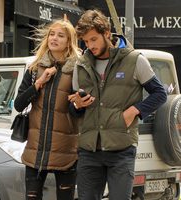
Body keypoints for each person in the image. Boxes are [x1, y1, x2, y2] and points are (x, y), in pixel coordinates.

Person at [68, 10, 167, 200]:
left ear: (107, 33)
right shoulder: (80, 66)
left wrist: (134, 111)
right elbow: (75, 111)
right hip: (89, 151)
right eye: (86, 41)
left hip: (122, 149)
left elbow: (160, 94)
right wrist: (78, 106)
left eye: (94, 39)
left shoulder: (134, 60)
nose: (90, 46)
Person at [14, 18, 79, 200]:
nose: (54, 38)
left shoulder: (77, 70)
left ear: (69, 42)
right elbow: (18, 104)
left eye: (60, 35)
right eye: (52, 34)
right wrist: (39, 83)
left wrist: (78, 104)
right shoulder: (35, 69)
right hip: (36, 148)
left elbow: (77, 113)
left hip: (66, 149)